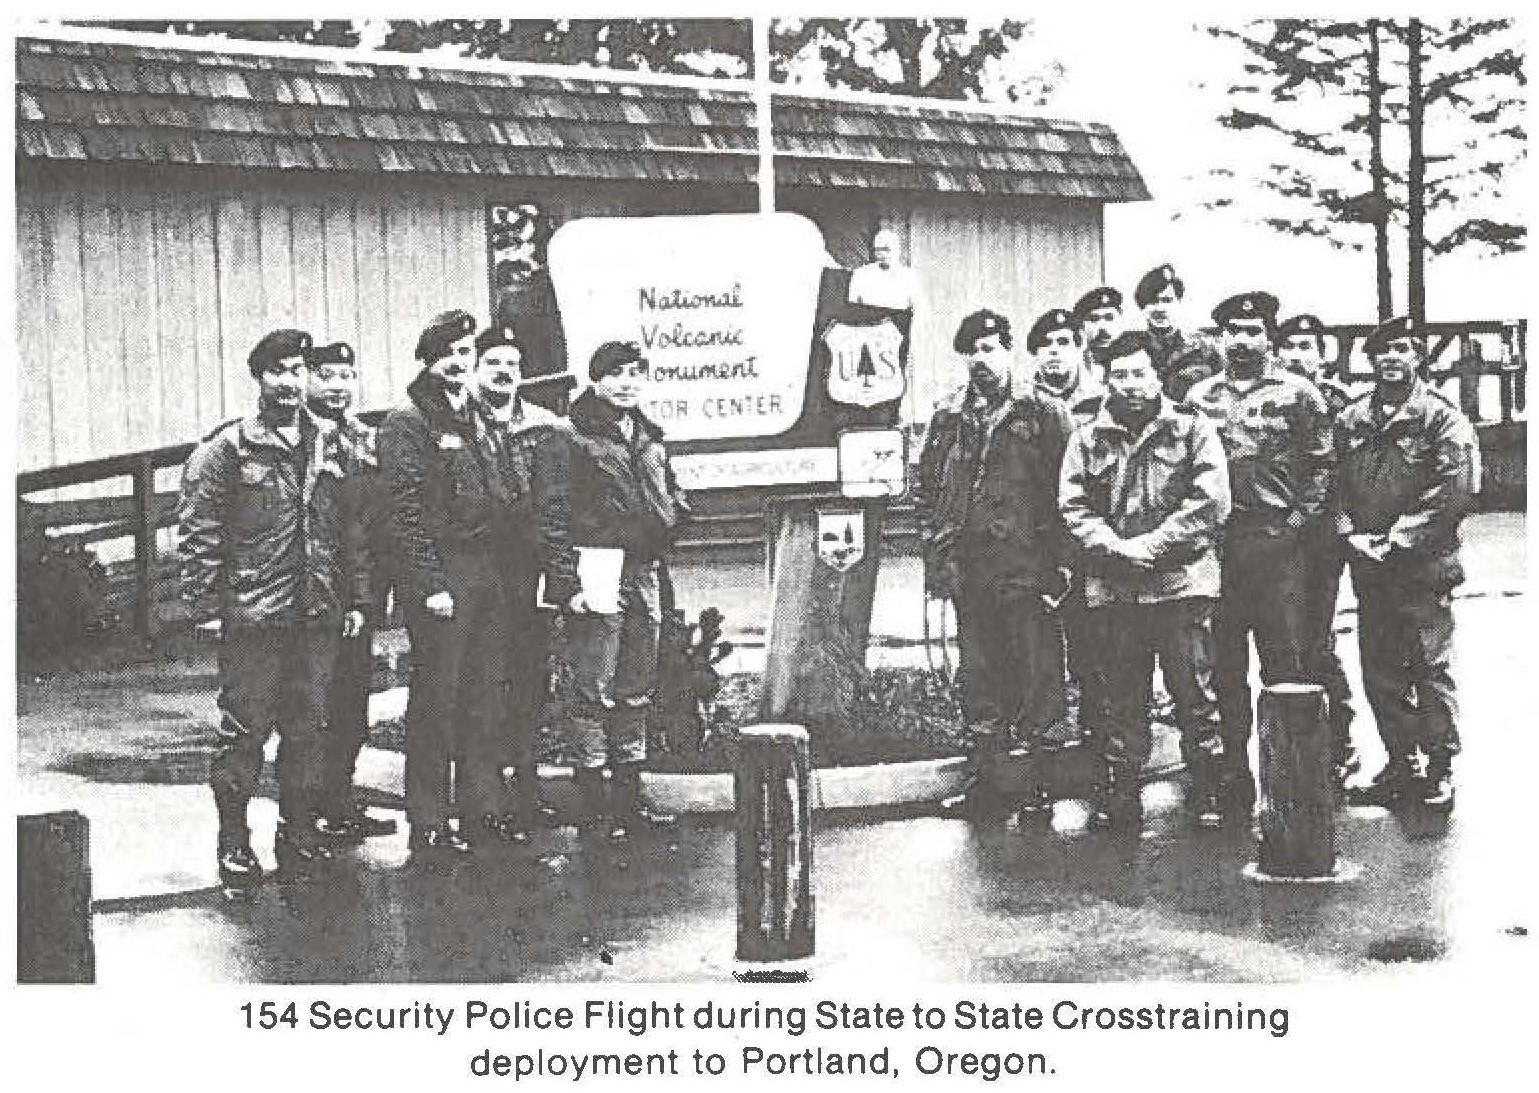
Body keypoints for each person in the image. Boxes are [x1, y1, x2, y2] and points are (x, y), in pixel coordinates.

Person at [180, 328, 368, 895]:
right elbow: (200, 529)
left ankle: (296, 829)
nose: (289, 383)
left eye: (298, 371)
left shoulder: (332, 443)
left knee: (309, 728)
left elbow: (350, 528)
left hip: (316, 614)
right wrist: (207, 605)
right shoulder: (228, 450)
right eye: (278, 372)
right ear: (259, 378)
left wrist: (357, 598)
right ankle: (235, 840)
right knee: (245, 733)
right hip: (254, 615)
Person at [1060, 332, 1231, 831]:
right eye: (1119, 375)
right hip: (1117, 588)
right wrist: (1117, 550)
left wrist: (1150, 546)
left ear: (1157, 375)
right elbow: (1072, 507)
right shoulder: (1087, 436)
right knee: (1122, 697)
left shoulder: (1192, 428)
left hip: (1180, 583)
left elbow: (1210, 502)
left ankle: (1209, 790)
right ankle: (1122, 795)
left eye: (1139, 373)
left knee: (1195, 694)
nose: (1130, 385)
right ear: (1106, 378)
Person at [917, 309, 1074, 820]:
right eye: (972, 351)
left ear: (1009, 350)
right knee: (980, 677)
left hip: (1027, 566)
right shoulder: (948, 417)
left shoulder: (1042, 413)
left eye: (990, 348)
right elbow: (929, 488)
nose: (981, 359)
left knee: (1037, 674)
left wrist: (1061, 564)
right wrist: (938, 555)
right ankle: (987, 780)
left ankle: (1039, 783)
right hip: (972, 567)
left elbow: (1068, 490)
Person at [534, 341, 690, 842]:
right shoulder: (572, 437)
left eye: (633, 373)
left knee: (635, 685)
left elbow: (669, 486)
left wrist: (676, 515)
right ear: (595, 380)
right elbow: (552, 516)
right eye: (615, 374)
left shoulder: (646, 434)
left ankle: (629, 799)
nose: (626, 382)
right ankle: (594, 805)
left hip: (644, 568)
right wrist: (567, 584)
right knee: (592, 688)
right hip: (596, 567)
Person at [1187, 293, 1333, 822]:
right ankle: (1234, 774)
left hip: (1276, 545)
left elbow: (1320, 463)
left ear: (1269, 336)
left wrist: (1300, 519)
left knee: (1284, 663)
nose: (1242, 340)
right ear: (1219, 337)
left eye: (1252, 330)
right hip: (1220, 545)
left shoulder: (1300, 395)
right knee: (1224, 666)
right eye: (1232, 331)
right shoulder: (1200, 396)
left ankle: (1289, 775)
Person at [1336, 316, 1478, 812]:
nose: (1391, 359)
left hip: (1421, 566)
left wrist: (1398, 539)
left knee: (1428, 667)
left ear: (1416, 357)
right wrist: (1348, 531)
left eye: (1401, 350)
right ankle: (1401, 763)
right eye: (1381, 352)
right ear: (1370, 361)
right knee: (1379, 670)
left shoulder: (1442, 418)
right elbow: (1333, 486)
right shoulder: (1352, 419)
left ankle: (1440, 766)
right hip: (1370, 566)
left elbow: (1456, 489)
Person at [379, 308, 500, 857]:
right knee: (438, 698)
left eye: (466, 354)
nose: (458, 364)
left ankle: (481, 809)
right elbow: (404, 512)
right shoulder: (409, 423)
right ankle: (428, 819)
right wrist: (429, 584)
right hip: (442, 573)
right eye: (448, 355)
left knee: (481, 695)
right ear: (429, 361)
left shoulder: (474, 415)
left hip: (485, 570)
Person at [471, 323, 563, 841]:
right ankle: (490, 793)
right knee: (488, 680)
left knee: (530, 679)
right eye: (493, 363)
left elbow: (561, 498)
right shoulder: (464, 425)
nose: (503, 372)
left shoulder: (547, 427)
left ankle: (526, 786)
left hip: (532, 568)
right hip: (484, 568)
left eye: (511, 363)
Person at [304, 340, 398, 842]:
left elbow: (371, 520)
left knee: (350, 702)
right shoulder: (301, 440)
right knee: (311, 706)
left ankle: (340, 800)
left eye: (346, 376)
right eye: (327, 376)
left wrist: (367, 597)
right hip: (315, 590)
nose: (338, 387)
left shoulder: (365, 439)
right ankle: (307, 810)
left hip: (360, 590)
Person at [1274, 313, 1360, 785]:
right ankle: (1294, 744)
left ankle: (1338, 741)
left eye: (1307, 346)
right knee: (1284, 643)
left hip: (1322, 540)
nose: (1297, 356)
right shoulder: (1275, 401)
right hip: (1278, 539)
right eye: (1289, 346)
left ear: (1323, 352)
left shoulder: (1342, 405)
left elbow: (1347, 471)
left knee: (1317, 642)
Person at [1134, 264, 1223, 401]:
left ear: (1179, 302)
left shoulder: (1204, 348)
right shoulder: (1130, 348)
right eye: (1152, 301)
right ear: (1142, 307)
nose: (1160, 308)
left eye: (1167, 300)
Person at [1029, 307, 1105, 427]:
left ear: (1079, 347)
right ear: (1036, 351)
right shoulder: (1024, 399)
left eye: (1063, 342)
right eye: (1045, 343)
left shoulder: (1099, 396)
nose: (1054, 350)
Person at [847, 227, 920, 312]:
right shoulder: (861, 274)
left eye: (886, 249)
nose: (882, 254)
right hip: (868, 322)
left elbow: (916, 309)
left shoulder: (908, 276)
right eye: (878, 250)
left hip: (897, 323)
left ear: (898, 250)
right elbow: (852, 307)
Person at [1070, 286, 1125, 375]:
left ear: (1121, 319)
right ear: (1082, 326)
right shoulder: (1076, 366)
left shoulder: (1138, 356)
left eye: (1109, 318)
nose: (1102, 326)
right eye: (1094, 319)